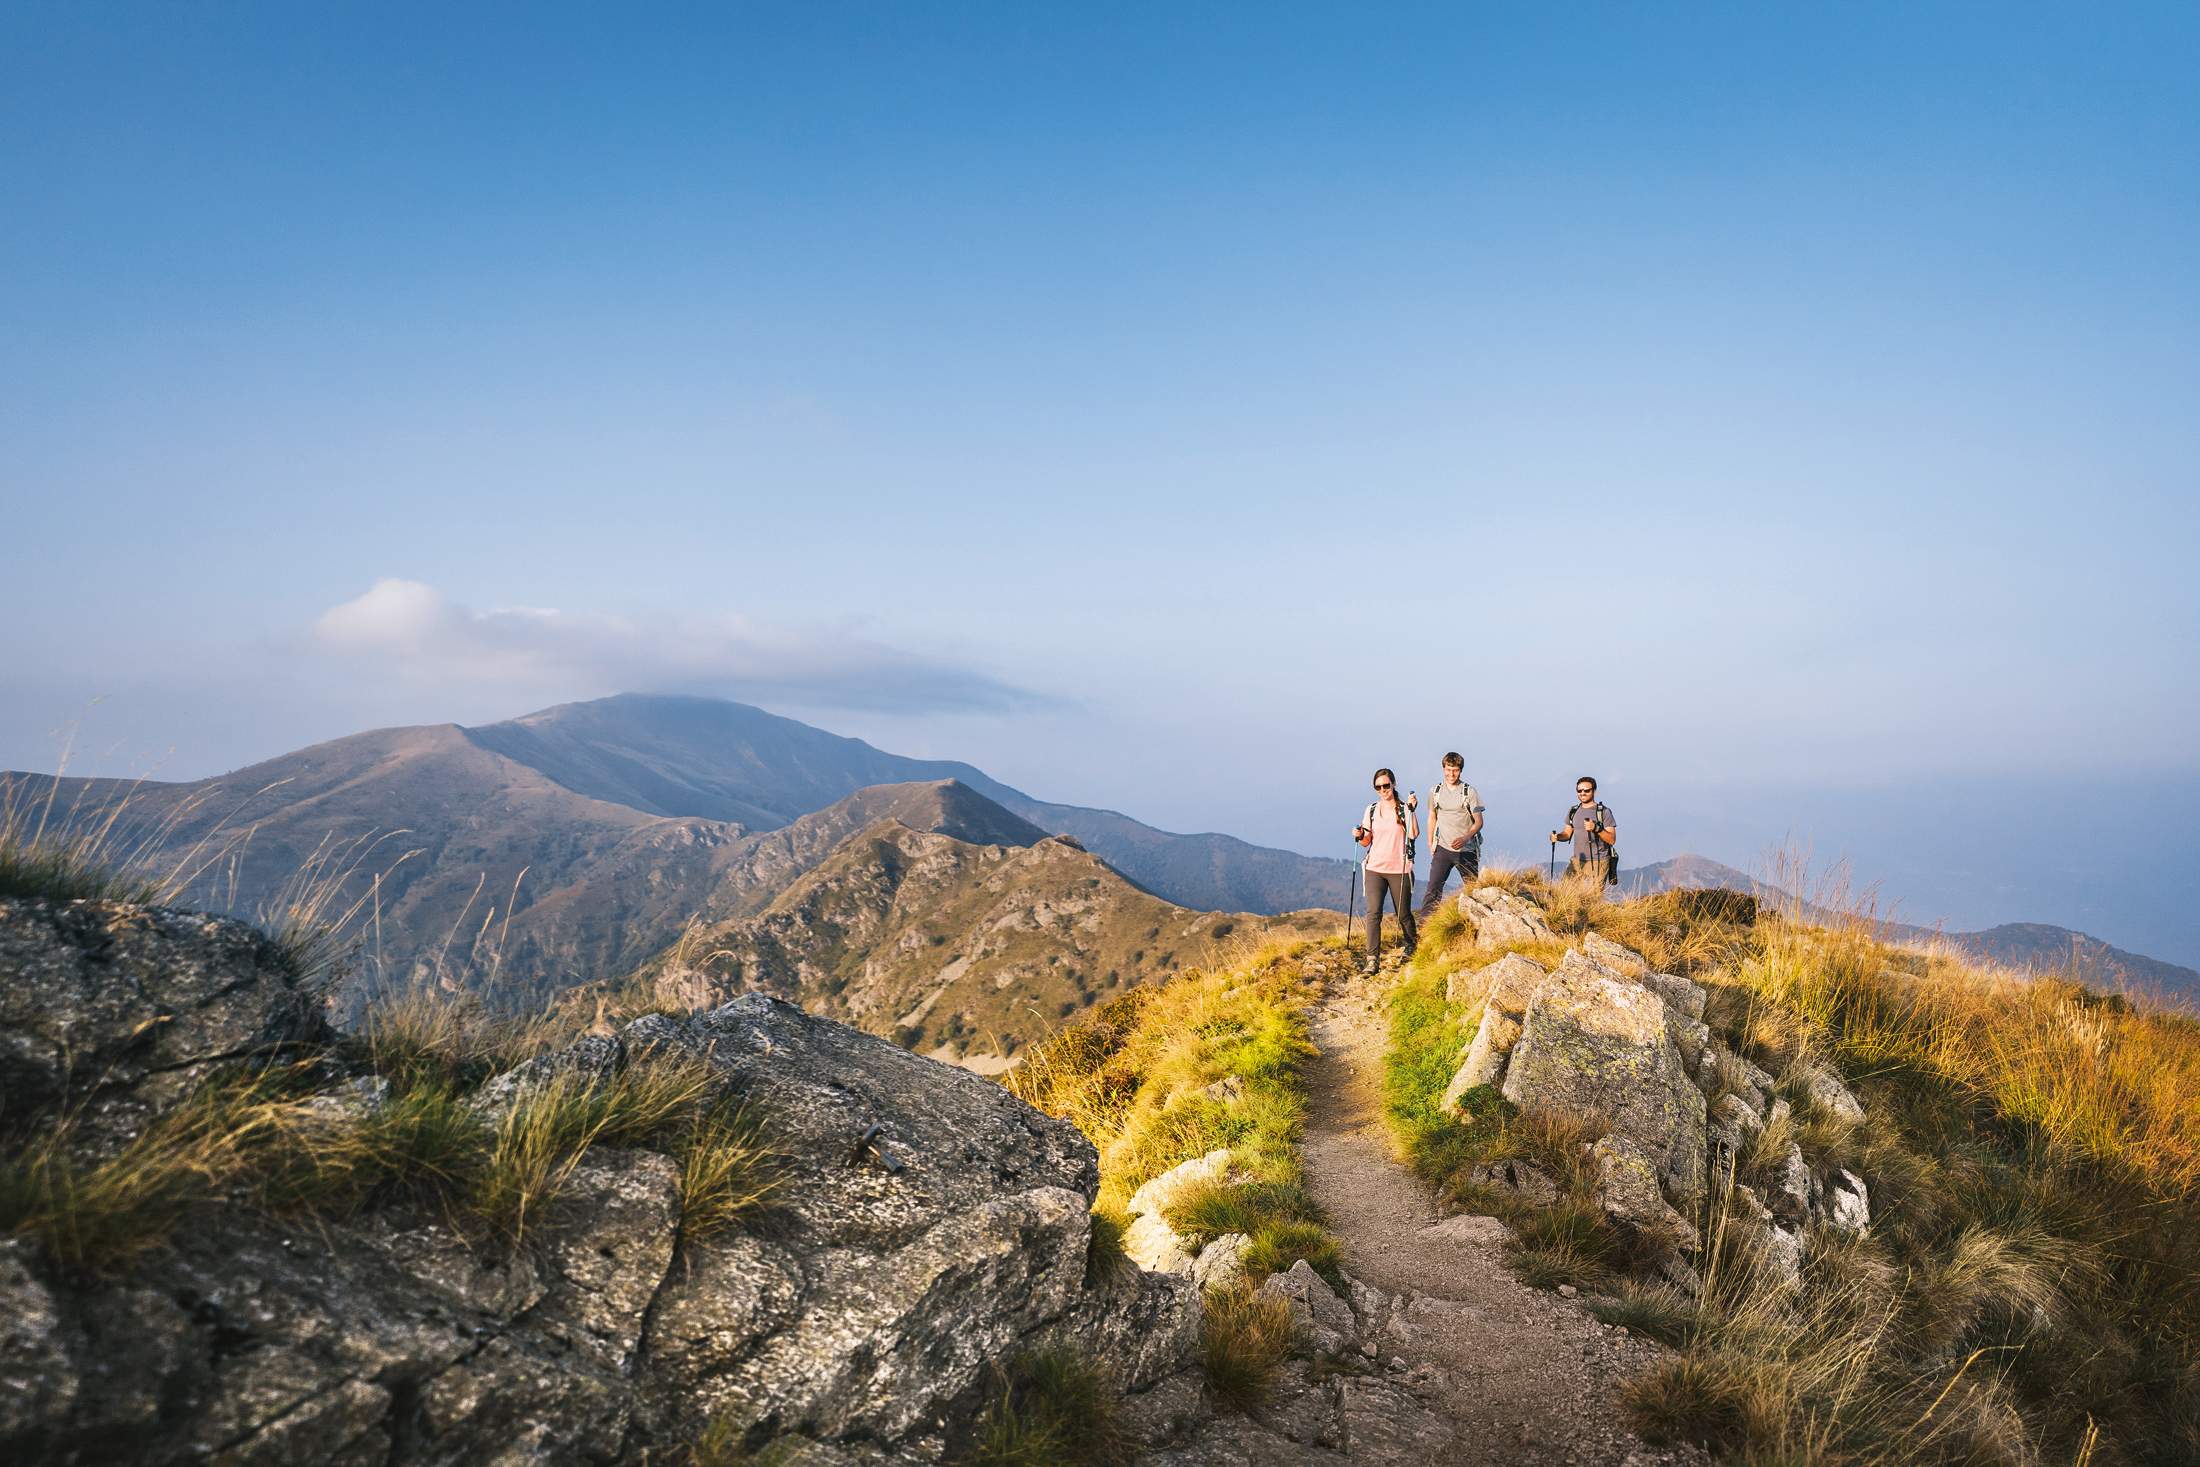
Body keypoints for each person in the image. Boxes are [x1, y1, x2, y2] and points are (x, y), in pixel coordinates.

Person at [1351, 768, 1419, 973]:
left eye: (1386, 785)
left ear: (1394, 784)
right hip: (1374, 868)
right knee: (1373, 913)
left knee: (1403, 913)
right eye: (1378, 787)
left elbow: (1414, 833)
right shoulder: (1371, 810)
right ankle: (1372, 960)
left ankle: (1411, 944)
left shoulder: (1403, 808)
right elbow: (1366, 842)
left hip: (1399, 868)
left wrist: (1411, 810)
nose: (1382, 789)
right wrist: (1359, 834)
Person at [1415, 752, 1485, 920]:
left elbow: (1479, 822)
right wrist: (1430, 841)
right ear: (1443, 769)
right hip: (1443, 848)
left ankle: (1475, 925)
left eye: (1455, 770)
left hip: (1467, 850)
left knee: (1473, 890)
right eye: (1448, 770)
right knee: (1433, 889)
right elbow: (1432, 816)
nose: (1451, 774)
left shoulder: (1469, 792)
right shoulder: (1435, 792)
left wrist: (1466, 837)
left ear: (1460, 771)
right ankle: (1424, 931)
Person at [1550, 776, 1617, 883]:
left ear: (1594, 791)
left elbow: (1612, 839)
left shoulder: (1604, 812)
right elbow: (1567, 834)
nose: (1582, 793)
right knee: (1564, 892)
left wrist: (1596, 828)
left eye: (1586, 790)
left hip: (1597, 862)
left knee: (1592, 897)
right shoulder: (1573, 811)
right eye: (1579, 790)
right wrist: (1557, 837)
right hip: (1576, 861)